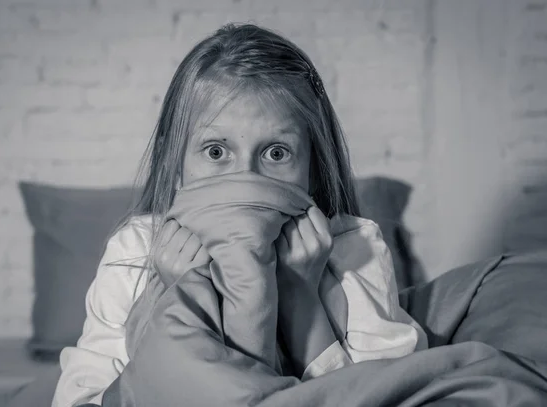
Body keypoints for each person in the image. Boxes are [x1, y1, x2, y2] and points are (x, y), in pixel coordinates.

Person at [52, 23, 427, 407]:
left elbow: (385, 395)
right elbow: (82, 397)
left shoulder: (353, 249)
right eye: (216, 151)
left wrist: (304, 302)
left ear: (313, 165)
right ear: (174, 159)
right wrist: (174, 301)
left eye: (276, 153)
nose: (245, 180)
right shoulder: (136, 251)